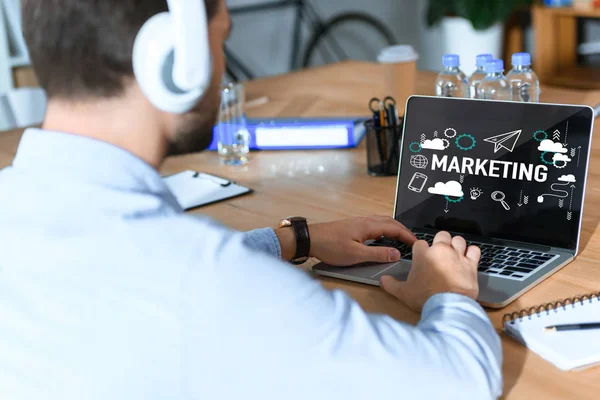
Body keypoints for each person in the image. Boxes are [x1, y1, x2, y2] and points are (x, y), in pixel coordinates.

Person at [0, 0, 502, 399]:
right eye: (220, 41)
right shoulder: (205, 284)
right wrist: (447, 293)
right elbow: (461, 380)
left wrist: (292, 240)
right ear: (176, 60)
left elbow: (125, 268)